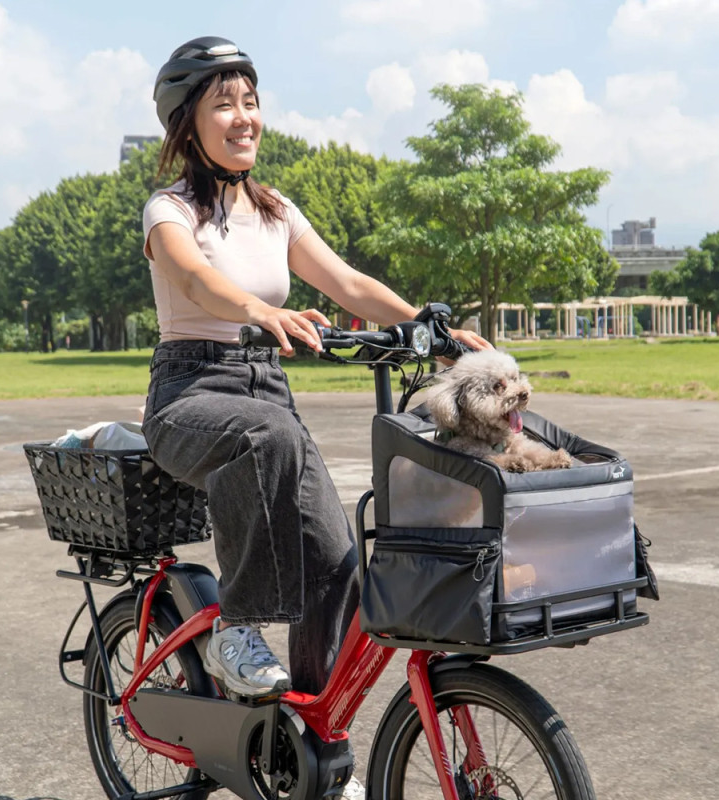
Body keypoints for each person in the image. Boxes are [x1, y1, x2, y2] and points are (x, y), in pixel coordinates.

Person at [142, 35, 488, 714]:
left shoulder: (274, 210)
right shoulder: (169, 210)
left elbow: (350, 284)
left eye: (251, 100)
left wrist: (437, 334)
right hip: (189, 397)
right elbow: (195, 277)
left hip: (267, 395)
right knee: (267, 435)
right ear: (188, 122)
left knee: (339, 570)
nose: (245, 116)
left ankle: (308, 737)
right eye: (224, 103)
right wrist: (258, 311)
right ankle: (237, 629)